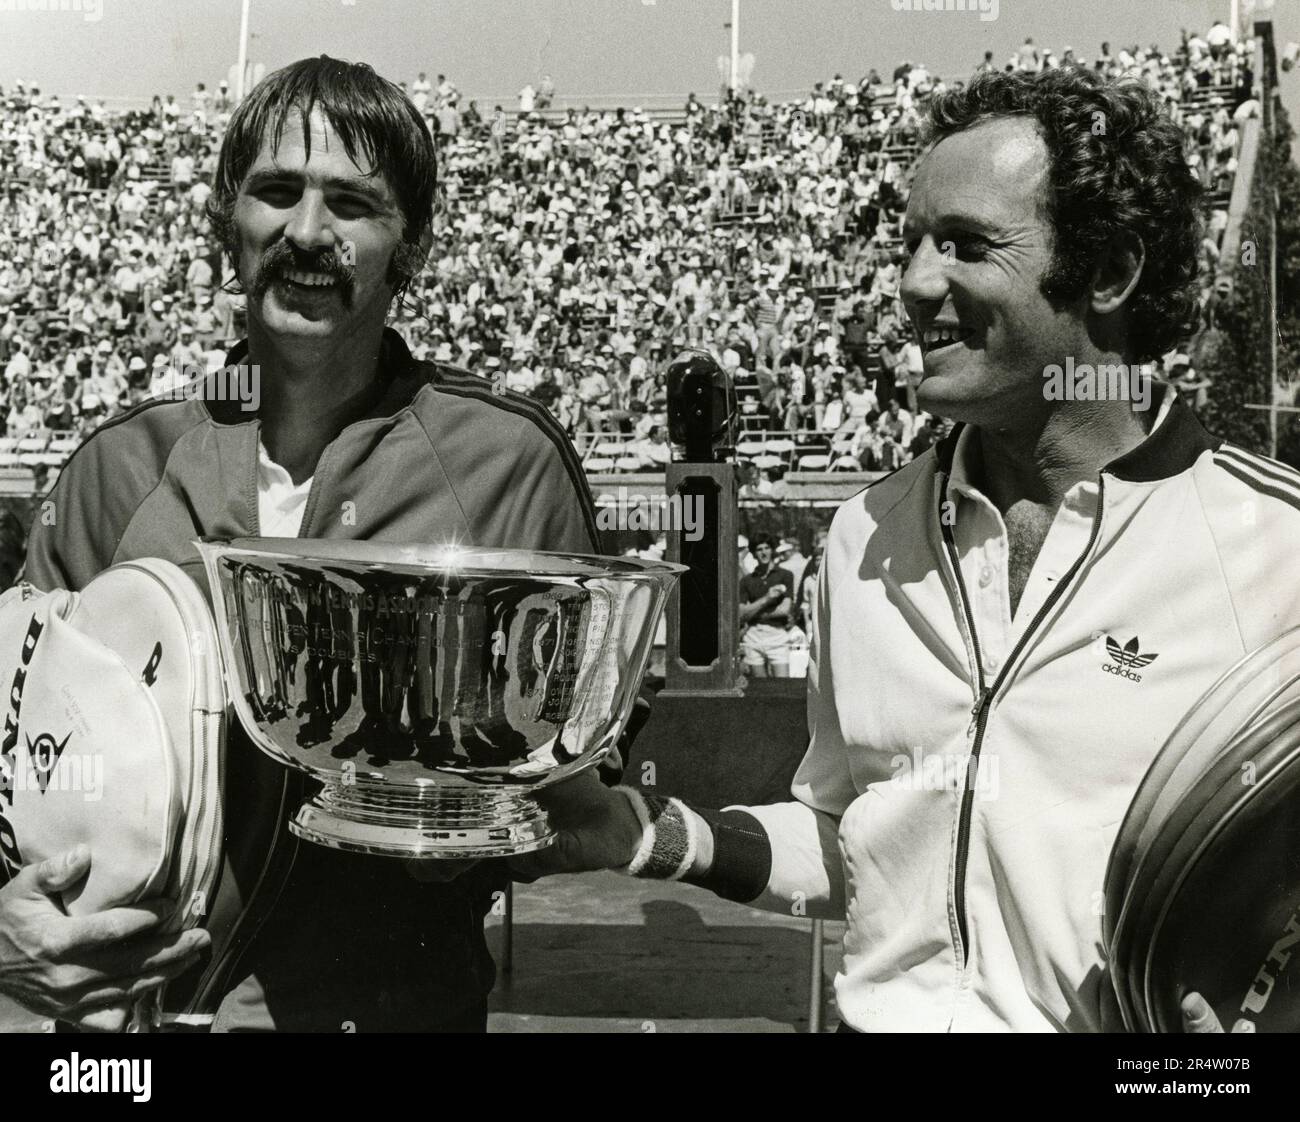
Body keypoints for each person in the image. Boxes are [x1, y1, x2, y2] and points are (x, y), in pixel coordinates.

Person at [517, 66, 1300, 1034]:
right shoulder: (861, 539)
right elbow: (853, 839)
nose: (912, 284)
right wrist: (636, 834)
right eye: (911, 245)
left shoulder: (1275, 550)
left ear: (1109, 272)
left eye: (965, 246)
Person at [0, 56, 600, 1034]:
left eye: (353, 203)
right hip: (125, 1032)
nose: (307, 233)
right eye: (276, 192)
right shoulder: (119, 463)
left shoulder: (506, 460)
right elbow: (12, 751)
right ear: (224, 225)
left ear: (410, 248)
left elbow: (581, 773)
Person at [737, 535, 795, 679]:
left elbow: (784, 610)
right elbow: (740, 614)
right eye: (759, 549)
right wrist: (767, 599)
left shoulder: (785, 575)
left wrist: (753, 612)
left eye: (766, 548)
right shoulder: (746, 581)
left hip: (777, 635)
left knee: (783, 686)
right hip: (753, 636)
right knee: (760, 688)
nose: (763, 552)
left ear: (772, 550)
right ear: (754, 553)